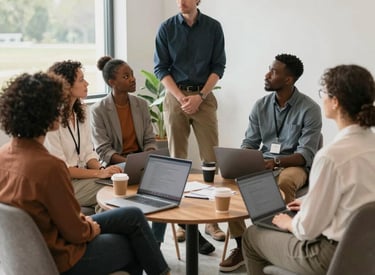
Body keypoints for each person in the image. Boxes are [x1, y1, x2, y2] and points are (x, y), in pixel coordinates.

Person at [0, 72, 171, 275]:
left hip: (33, 252)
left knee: (132, 215)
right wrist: (91, 227)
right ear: (45, 112)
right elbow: (77, 233)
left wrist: (86, 223)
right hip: (63, 257)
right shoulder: (49, 167)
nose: (61, 108)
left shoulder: (4, 155)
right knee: (132, 242)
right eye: (57, 104)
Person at [242, 64, 375, 274]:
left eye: (324, 93)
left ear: (335, 101)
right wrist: (308, 202)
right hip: (368, 252)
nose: (321, 98)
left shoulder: (331, 156)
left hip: (329, 255)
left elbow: (306, 230)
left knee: (252, 236)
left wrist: (287, 222)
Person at [219, 54, 322, 272]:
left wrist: (276, 162)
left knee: (284, 182)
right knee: (228, 182)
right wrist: (243, 159)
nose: (267, 75)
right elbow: (250, 142)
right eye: (269, 69)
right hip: (263, 162)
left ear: (288, 80)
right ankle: (241, 246)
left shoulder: (310, 108)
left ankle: (277, 242)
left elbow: (305, 153)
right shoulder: (260, 106)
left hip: (294, 165)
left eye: (274, 72)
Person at [153, 0, 226, 254]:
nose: (181, 1)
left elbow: (219, 67)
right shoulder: (166, 28)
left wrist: (200, 96)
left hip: (204, 98)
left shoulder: (214, 28)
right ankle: (180, 221)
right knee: (177, 161)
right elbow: (160, 68)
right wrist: (180, 97)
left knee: (210, 161)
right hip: (175, 99)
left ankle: (210, 222)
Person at [91, 56, 166, 245]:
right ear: (112, 82)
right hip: (116, 166)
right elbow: (103, 149)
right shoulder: (99, 110)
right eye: (126, 76)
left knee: (165, 186)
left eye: (131, 74)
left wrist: (146, 156)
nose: (132, 79)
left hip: (140, 163)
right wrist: (126, 163)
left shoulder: (140, 105)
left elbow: (150, 138)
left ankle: (154, 243)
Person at [45, 60, 122, 213]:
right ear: (65, 85)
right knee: (114, 191)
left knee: (118, 181)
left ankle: (98, 231)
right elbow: (63, 169)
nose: (87, 83)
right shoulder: (51, 120)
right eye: (81, 80)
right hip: (62, 185)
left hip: (84, 177)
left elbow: (88, 152)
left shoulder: (82, 111)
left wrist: (102, 170)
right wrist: (99, 173)